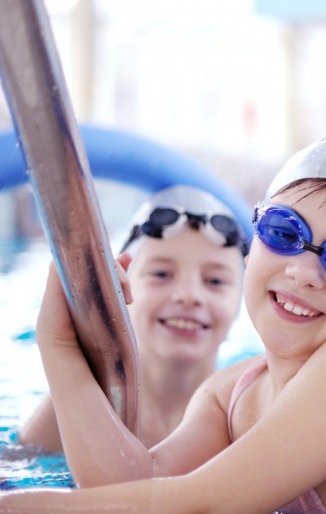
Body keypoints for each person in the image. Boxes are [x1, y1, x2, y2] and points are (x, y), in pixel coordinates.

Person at [0, 129, 326, 514]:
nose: (304, 272)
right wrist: (57, 344)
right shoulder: (230, 391)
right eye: (284, 233)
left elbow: (199, 511)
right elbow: (127, 492)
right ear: (253, 245)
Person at [17, 185, 247, 451]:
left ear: (241, 300)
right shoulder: (79, 407)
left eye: (215, 280)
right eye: (161, 274)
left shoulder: (246, 416)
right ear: (122, 284)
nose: (188, 295)